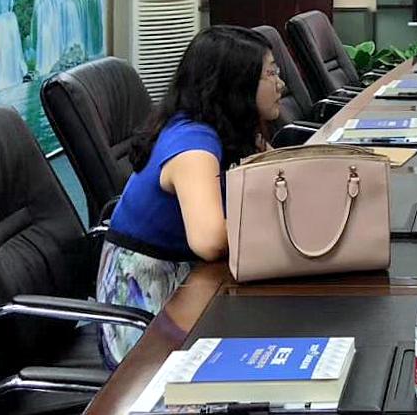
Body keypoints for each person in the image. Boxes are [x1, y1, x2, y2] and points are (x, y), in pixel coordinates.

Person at [96, 26, 285, 366]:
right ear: (236, 85)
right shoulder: (193, 145)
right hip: (145, 316)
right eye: (270, 74)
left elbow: (283, 176)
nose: (281, 84)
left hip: (192, 287)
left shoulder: (230, 130)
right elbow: (209, 241)